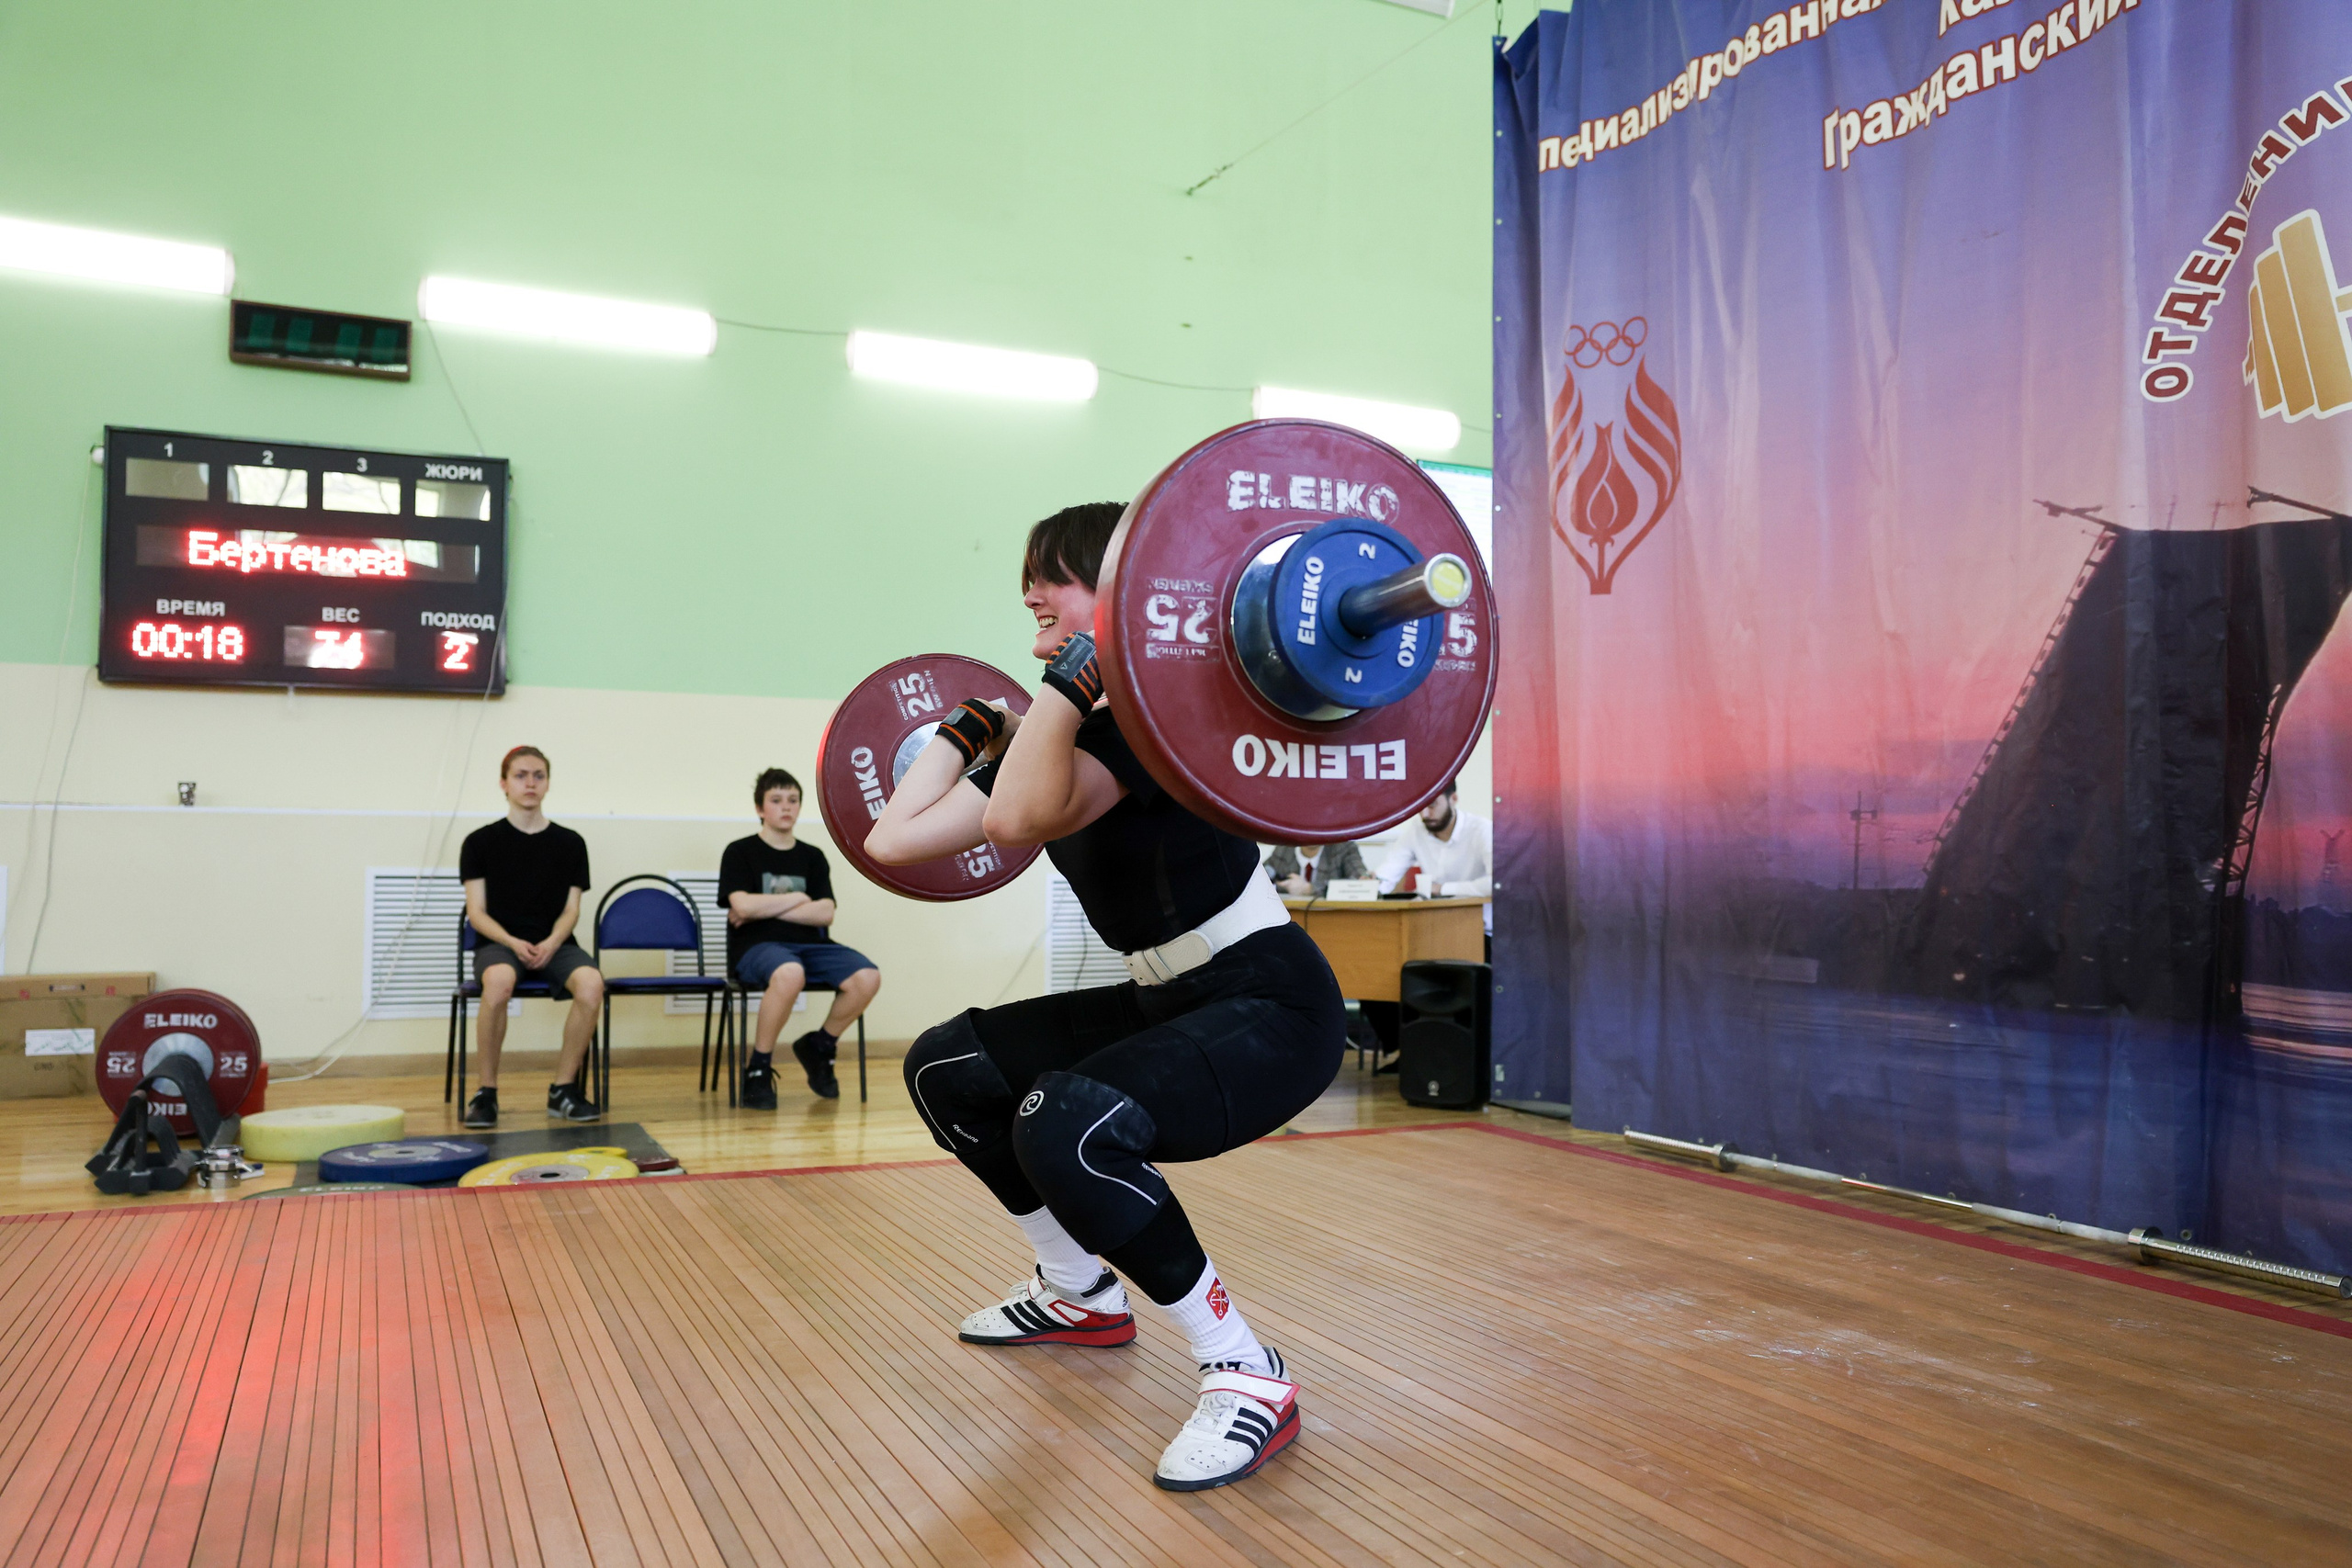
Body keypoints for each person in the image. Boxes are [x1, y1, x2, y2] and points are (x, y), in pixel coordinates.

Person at [866, 502, 1345, 1493]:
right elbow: (893, 841)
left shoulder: (1147, 724)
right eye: (1027, 580)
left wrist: (1070, 687)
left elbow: (1021, 814)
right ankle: (1078, 1292)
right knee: (948, 1068)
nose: (1030, 594)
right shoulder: (1063, 719)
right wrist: (968, 726)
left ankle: (1244, 1371)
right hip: (1164, 996)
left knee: (1067, 1125)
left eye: (1057, 577)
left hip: (1270, 998)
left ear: (1121, 595)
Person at [458, 745, 603, 1127]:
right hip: (499, 944)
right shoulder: (479, 842)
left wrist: (553, 942)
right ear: (504, 784)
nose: (530, 783)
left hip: (555, 944)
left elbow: (572, 909)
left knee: (591, 984)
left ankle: (564, 1090)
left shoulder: (571, 843)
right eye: (521, 775)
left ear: (548, 783)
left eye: (538, 775)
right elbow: (477, 912)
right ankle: (486, 1093)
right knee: (500, 982)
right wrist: (512, 942)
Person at [718, 767, 882, 1106]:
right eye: (776, 800)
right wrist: (797, 899)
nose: (786, 807)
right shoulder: (739, 852)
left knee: (867, 977)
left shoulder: (812, 857)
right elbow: (740, 905)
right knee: (790, 973)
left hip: (813, 944)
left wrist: (763, 906)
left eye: (793, 800)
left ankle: (820, 1046)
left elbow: (825, 913)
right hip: (756, 948)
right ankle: (758, 1070)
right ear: (760, 809)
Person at [1375, 779, 1494, 936]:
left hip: (1481, 932)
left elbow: (1497, 884)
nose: (1424, 814)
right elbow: (1387, 874)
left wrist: (1442, 889)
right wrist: (1370, 886)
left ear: (1453, 799)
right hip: (1434, 929)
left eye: (1432, 805)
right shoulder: (1417, 830)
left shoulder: (1482, 830)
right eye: (1419, 806)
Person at [1262, 840, 1368, 897]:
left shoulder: (1343, 848)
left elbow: (1361, 882)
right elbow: (1259, 878)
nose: (1312, 832)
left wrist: (1309, 889)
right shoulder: (1284, 850)